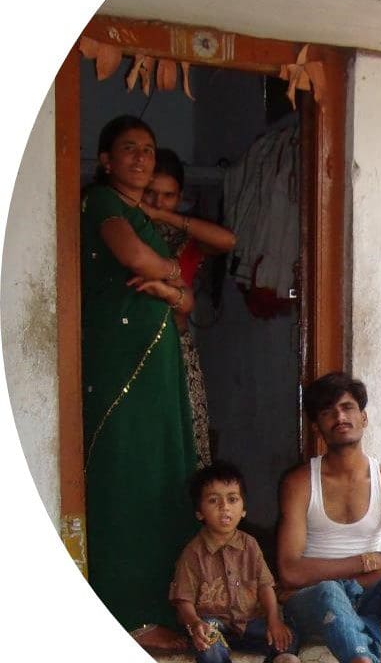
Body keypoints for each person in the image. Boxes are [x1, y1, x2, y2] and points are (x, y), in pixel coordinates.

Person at [81, 115, 199, 644]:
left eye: (148, 149)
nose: (140, 157)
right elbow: (133, 258)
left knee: (165, 476)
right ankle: (128, 614)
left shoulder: (144, 215)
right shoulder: (103, 204)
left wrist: (170, 284)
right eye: (128, 149)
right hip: (120, 363)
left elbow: (185, 297)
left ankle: (170, 606)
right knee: (127, 475)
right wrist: (168, 274)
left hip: (157, 366)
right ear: (106, 160)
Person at [277, 372, 381, 663]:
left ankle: (356, 638)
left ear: (364, 418)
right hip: (314, 598)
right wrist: (364, 562)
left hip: (368, 596)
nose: (339, 417)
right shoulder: (300, 482)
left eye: (347, 407)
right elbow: (290, 571)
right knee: (329, 592)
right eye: (328, 412)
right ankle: (362, 658)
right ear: (317, 427)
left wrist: (356, 582)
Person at [142, 148, 237, 466]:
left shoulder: (187, 235)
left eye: (167, 196)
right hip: (134, 345)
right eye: (150, 194)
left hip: (176, 347)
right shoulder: (124, 232)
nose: (156, 203)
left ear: (179, 197)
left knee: (184, 434)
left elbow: (227, 242)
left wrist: (165, 217)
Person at [170, 461, 300, 663]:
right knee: (208, 641)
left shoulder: (250, 545)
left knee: (288, 638)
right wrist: (195, 624)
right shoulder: (193, 553)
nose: (224, 507)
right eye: (213, 501)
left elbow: (265, 586)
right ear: (199, 512)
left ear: (244, 509)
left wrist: (274, 620)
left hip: (248, 622)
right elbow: (183, 599)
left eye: (232, 499)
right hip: (213, 623)